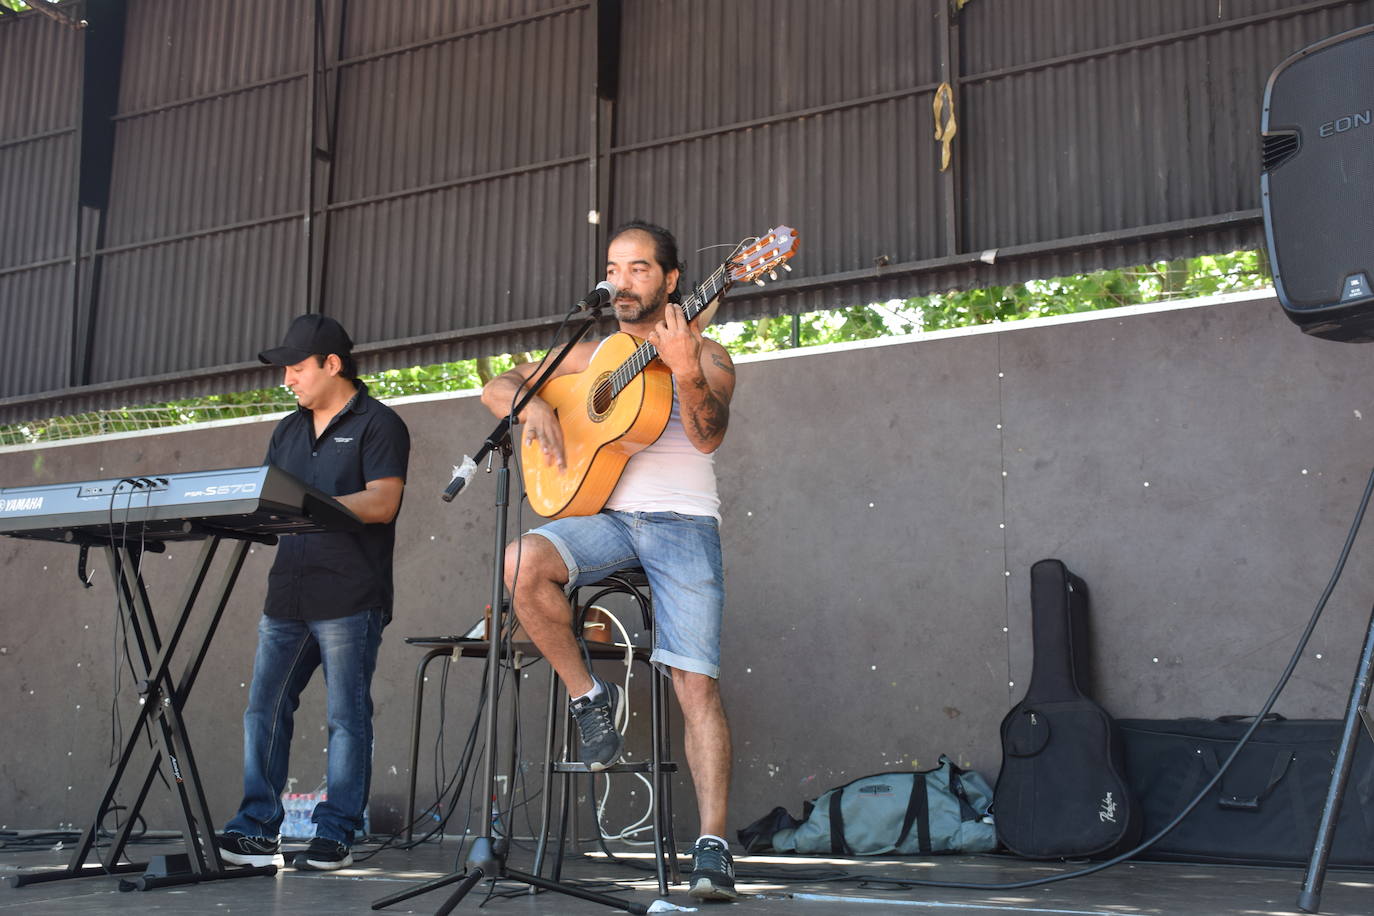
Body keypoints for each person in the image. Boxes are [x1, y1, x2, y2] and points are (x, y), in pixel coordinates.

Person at [480, 220, 740, 901]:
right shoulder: (591, 354)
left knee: (695, 686)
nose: (622, 280)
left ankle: (712, 846)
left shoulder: (711, 354)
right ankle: (588, 698)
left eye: (640, 268)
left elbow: (709, 438)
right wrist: (531, 403)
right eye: (614, 267)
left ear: (673, 280)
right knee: (520, 562)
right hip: (605, 520)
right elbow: (495, 386)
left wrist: (684, 369)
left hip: (683, 525)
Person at [215, 313, 410, 871]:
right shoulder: (286, 428)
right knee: (264, 711)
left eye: (297, 368)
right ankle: (255, 830)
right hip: (288, 595)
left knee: (347, 716)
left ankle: (337, 832)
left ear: (332, 364)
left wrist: (311, 508)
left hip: (351, 595)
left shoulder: (379, 423)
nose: (288, 380)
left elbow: (383, 502)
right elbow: (264, 499)